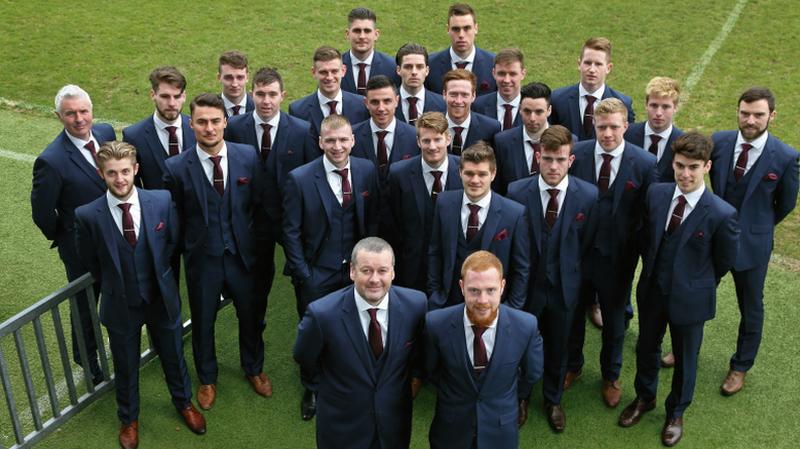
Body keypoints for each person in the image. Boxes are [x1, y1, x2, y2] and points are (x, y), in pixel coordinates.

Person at [74, 142, 206, 449]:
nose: (119, 179)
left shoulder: (160, 200)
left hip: (161, 299)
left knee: (174, 356)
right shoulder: (87, 215)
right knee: (126, 364)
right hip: (121, 305)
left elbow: (170, 243)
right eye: (111, 173)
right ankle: (129, 419)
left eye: (124, 171)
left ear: (135, 169)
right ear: (101, 174)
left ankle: (184, 403)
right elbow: (90, 261)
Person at [620, 132, 739, 447]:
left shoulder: (722, 213)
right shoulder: (657, 194)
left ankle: (676, 413)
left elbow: (723, 261)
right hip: (651, 291)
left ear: (707, 167)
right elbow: (647, 237)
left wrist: (696, 284)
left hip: (691, 299)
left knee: (686, 359)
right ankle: (645, 398)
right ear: (672, 164)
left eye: (693, 167)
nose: (685, 174)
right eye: (680, 166)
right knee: (646, 347)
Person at [162, 93, 271, 411]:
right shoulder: (176, 167)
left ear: (225, 122)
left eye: (215, 121)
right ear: (191, 124)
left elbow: (257, 202)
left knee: (250, 317)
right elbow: (175, 216)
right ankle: (207, 378)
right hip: (203, 260)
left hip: (242, 255)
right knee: (203, 321)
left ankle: (253, 367)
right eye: (201, 122)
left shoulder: (247, 155)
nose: (209, 128)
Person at [282, 114, 380, 420]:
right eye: (330, 140)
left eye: (343, 140)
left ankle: (351, 380)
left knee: (356, 327)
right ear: (320, 142)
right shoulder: (299, 178)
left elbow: (374, 220)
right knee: (314, 331)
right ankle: (311, 386)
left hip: (357, 271)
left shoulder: (366, 170)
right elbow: (291, 232)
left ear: (352, 140)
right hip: (317, 272)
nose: (337, 146)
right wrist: (304, 275)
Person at [293, 237, 427, 449]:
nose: (375, 279)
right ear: (352, 272)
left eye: (382, 270)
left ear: (393, 272)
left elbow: (419, 354)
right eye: (366, 270)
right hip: (342, 429)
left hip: (393, 427)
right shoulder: (322, 315)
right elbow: (304, 357)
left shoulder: (416, 305)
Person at [564, 98, 656, 405]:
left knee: (615, 323)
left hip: (617, 261)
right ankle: (573, 366)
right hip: (578, 255)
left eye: (614, 127)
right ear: (593, 125)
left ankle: (610, 375)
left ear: (625, 127)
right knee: (574, 315)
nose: (607, 133)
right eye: (602, 127)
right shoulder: (576, 154)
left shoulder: (644, 163)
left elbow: (647, 213)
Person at [506, 125, 598, 433]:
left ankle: (553, 398)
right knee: (521, 344)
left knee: (559, 346)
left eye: (560, 159)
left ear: (571, 159)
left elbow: (586, 244)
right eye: (547, 159)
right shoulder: (517, 191)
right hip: (527, 288)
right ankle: (520, 397)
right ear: (537, 156)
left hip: (565, 289)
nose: (553, 166)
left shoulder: (588, 195)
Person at [710, 87, 799, 396]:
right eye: (745, 113)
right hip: (713, 241)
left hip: (752, 247)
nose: (750, 120)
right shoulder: (718, 142)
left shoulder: (786, 157)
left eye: (758, 114)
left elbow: (786, 204)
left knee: (751, 307)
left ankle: (740, 366)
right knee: (695, 293)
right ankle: (682, 349)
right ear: (737, 111)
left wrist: (758, 227)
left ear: (771, 116)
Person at [31, 84, 117, 385]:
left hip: (117, 238)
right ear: (59, 116)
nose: (79, 119)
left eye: (83, 111)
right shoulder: (51, 160)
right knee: (84, 308)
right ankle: (88, 359)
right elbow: (42, 213)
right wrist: (68, 236)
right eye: (70, 114)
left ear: (92, 111)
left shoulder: (106, 133)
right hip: (82, 250)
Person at [425, 251, 543, 449]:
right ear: (462, 287)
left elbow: (531, 373)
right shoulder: (436, 323)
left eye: (490, 290)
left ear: (502, 287)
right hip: (450, 429)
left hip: (501, 429)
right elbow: (430, 369)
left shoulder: (526, 326)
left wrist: (504, 394)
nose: (482, 300)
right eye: (474, 291)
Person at [427, 141, 529, 309]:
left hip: (491, 306)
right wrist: (435, 295)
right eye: (469, 173)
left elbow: (521, 268)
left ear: (493, 174)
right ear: (460, 172)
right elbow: (435, 252)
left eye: (482, 174)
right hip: (448, 303)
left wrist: (510, 308)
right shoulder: (444, 203)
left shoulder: (514, 214)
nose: (475, 180)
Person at [384, 112, 461, 290]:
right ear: (418, 142)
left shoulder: (464, 171)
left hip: (454, 267)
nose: (432, 146)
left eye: (437, 139)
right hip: (412, 268)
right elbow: (392, 223)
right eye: (426, 141)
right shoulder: (399, 174)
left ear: (448, 139)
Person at [123, 66, 196, 190]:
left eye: (177, 96)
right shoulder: (133, 136)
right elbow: (133, 186)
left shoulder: (198, 129)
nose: (172, 103)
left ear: (184, 96)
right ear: (153, 94)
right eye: (165, 97)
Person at [494, 82, 573, 195]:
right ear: (520, 109)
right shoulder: (502, 142)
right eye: (527, 111)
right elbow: (497, 185)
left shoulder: (568, 140)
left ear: (549, 110)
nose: (532, 118)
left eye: (539, 112)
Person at [550, 37, 635, 141]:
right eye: (587, 63)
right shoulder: (557, 99)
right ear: (579, 64)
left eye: (598, 64)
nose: (592, 69)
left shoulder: (623, 103)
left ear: (608, 68)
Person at [288, 46, 370, 140]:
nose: (329, 77)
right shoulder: (298, 111)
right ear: (314, 72)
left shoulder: (361, 105)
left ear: (343, 71)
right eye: (323, 72)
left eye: (334, 71)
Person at [351, 75, 419, 181]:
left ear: (396, 101)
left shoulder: (414, 136)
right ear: (366, 103)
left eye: (387, 101)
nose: (381, 108)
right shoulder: (352, 136)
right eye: (375, 102)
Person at [426, 3, 496, 96]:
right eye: (456, 29)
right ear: (448, 30)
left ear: (476, 28)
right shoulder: (430, 64)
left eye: (467, 28)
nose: (461, 35)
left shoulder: (493, 64)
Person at [624, 76, 684, 183]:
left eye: (665, 107)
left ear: (675, 108)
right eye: (654, 105)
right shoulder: (626, 134)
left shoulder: (683, 143)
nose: (659, 113)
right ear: (646, 105)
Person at [340, 7, 400, 95]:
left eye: (367, 31)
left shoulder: (392, 67)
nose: (362, 36)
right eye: (357, 31)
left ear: (376, 34)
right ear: (347, 34)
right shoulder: (334, 67)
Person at [443, 69, 500, 155]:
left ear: (473, 96)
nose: (458, 101)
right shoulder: (430, 126)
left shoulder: (491, 128)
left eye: (465, 95)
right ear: (444, 94)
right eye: (453, 94)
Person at [471, 48, 526, 130]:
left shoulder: (534, 107)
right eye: (501, 74)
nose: (507, 80)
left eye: (512, 74)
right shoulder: (478, 106)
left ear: (523, 74)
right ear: (493, 73)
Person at [394, 43, 447, 125]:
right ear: (398, 70)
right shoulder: (385, 103)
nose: (414, 72)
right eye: (408, 67)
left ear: (427, 70)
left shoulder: (443, 104)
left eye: (419, 67)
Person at [217, 50, 254, 117]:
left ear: (247, 77)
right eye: (228, 78)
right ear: (219, 78)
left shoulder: (260, 109)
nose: (235, 84)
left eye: (240, 77)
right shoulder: (208, 109)